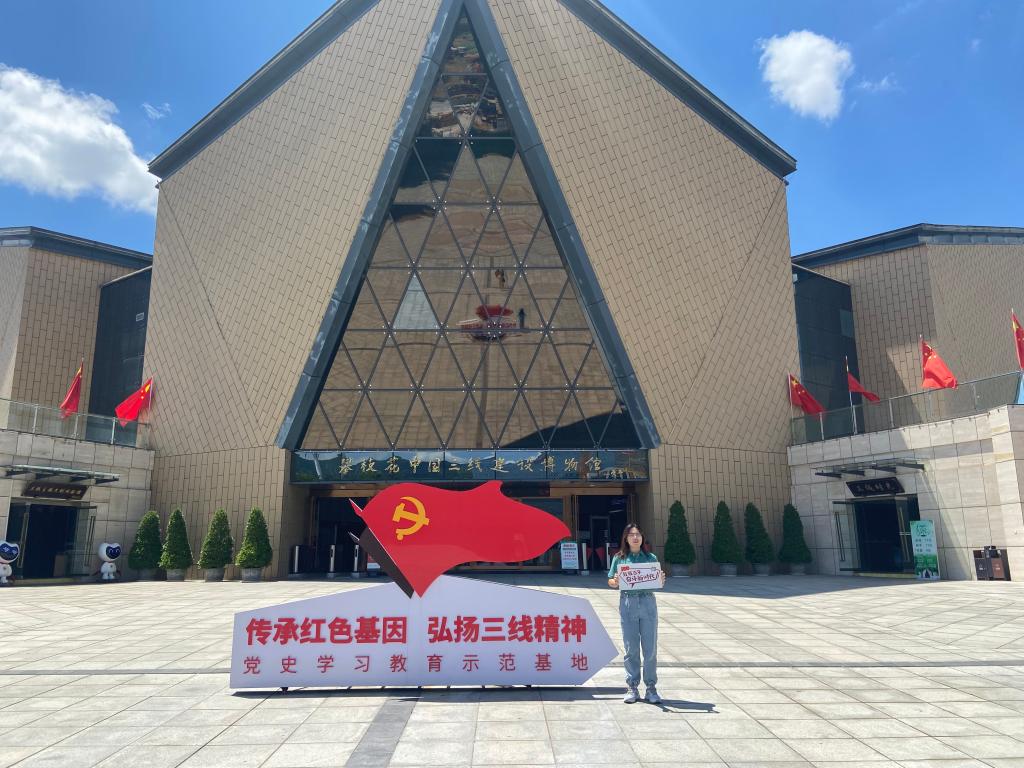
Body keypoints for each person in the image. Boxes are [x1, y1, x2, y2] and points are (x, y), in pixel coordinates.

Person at [607, 522, 665, 704]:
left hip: (647, 602)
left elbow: (657, 582)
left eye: (638, 534)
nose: (635, 537)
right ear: (626, 538)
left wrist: (661, 579)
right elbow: (610, 580)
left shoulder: (650, 557)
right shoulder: (619, 558)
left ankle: (651, 687)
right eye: (631, 534)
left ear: (642, 537)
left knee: (650, 648)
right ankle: (632, 686)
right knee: (631, 647)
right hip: (628, 602)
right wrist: (615, 581)